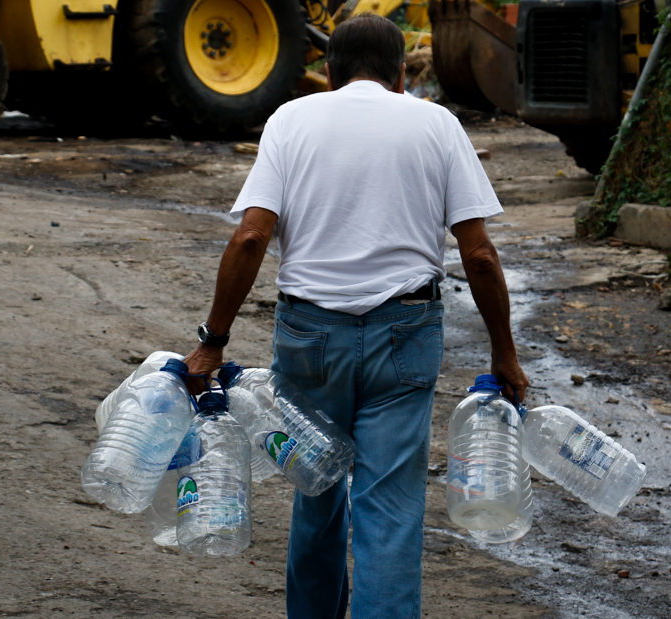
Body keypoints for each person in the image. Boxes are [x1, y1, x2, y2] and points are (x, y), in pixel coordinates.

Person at [182, 13, 529, 618]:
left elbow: (249, 239)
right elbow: (477, 253)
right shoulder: (435, 124)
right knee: (390, 510)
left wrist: (212, 340)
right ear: (402, 74)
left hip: (309, 339)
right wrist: (505, 354)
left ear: (330, 74)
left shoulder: (291, 120)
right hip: (406, 335)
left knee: (316, 495)